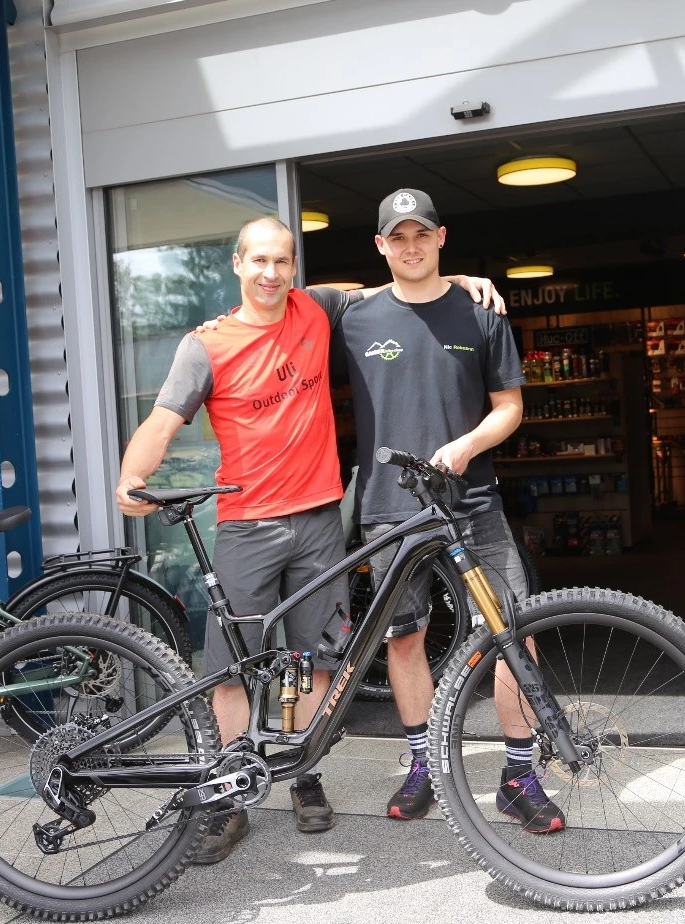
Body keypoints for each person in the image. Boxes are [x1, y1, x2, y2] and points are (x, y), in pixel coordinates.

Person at [115, 216, 503, 864]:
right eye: (259, 260)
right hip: (247, 525)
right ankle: (227, 801)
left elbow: (393, 288)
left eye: (282, 262)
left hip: (321, 520)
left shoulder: (315, 309)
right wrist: (133, 474)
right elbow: (164, 418)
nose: (270, 273)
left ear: (293, 268)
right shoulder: (206, 344)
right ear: (237, 264)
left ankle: (304, 776)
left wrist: (454, 280)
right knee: (234, 671)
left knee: (313, 662)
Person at [330, 189, 565, 834]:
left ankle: (519, 775)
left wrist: (466, 446)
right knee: (404, 636)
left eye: (422, 235)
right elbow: (283, 299)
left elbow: (509, 408)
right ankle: (423, 765)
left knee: (512, 631)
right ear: (381, 246)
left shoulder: (481, 312)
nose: (411, 247)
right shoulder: (355, 316)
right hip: (389, 506)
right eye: (397, 238)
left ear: (442, 238)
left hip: (473, 502)